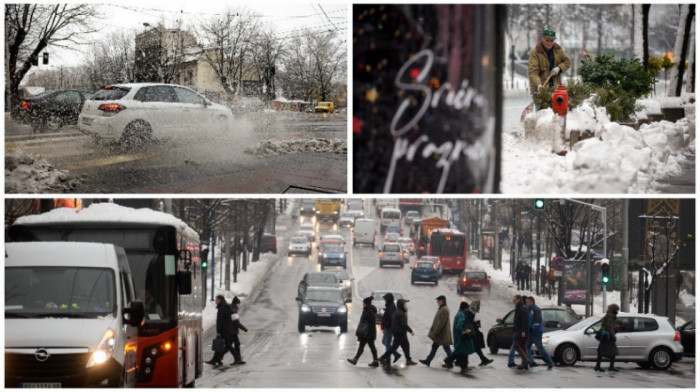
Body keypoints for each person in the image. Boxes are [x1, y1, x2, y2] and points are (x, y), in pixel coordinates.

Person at [528, 29, 572, 95]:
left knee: (556, 105)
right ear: (543, 39)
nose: (549, 43)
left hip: (555, 87)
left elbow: (568, 61)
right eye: (547, 40)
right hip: (539, 88)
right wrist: (539, 85)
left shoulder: (558, 50)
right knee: (542, 105)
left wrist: (559, 68)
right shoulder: (535, 53)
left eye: (551, 41)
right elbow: (533, 73)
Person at [379, 299, 416, 366]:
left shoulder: (397, 312)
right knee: (394, 347)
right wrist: (411, 331)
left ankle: (408, 360)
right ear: (402, 305)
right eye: (405, 304)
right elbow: (404, 324)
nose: (406, 305)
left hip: (399, 332)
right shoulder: (401, 313)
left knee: (406, 345)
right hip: (400, 333)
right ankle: (382, 357)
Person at [419, 295, 452, 367]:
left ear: (442, 301)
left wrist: (436, 332)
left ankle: (451, 362)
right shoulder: (442, 308)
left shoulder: (444, 310)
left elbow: (441, 323)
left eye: (438, 301)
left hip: (442, 334)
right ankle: (428, 361)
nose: (437, 302)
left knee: (446, 348)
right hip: (440, 334)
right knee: (435, 347)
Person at [443, 301, 476, 374]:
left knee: (462, 351)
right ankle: (451, 361)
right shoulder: (461, 315)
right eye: (467, 308)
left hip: (459, 336)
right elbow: (459, 325)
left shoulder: (461, 313)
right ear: (465, 308)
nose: (468, 309)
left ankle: (463, 366)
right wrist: (463, 332)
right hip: (460, 336)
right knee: (461, 351)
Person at [348, 296, 380, 367]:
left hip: (367, 333)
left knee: (366, 346)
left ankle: (356, 360)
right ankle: (375, 361)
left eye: (363, 303)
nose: (362, 304)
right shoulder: (368, 310)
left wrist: (366, 332)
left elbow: (369, 324)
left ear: (366, 304)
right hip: (367, 333)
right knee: (369, 347)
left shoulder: (369, 312)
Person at [206, 295, 236, 367]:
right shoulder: (225, 307)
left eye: (216, 299)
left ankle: (237, 358)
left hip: (224, 330)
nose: (215, 301)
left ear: (219, 300)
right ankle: (216, 359)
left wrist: (218, 331)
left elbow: (220, 321)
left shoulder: (221, 308)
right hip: (226, 329)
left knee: (226, 345)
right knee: (220, 345)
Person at [525, 296, 554, 369]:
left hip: (536, 332)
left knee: (540, 348)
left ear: (532, 302)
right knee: (527, 347)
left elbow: (537, 322)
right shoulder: (529, 309)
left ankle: (550, 362)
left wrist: (532, 328)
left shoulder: (536, 309)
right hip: (531, 332)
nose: (526, 303)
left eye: (527, 302)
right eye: (526, 302)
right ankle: (531, 362)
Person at [595, 304, 620, 372]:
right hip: (608, 337)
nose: (617, 311)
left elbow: (603, 323)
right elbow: (610, 327)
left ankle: (598, 366)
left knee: (601, 351)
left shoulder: (607, 315)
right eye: (617, 309)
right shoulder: (611, 317)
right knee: (613, 351)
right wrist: (613, 336)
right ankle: (611, 366)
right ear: (614, 310)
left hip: (604, 336)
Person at [467, 300, 493, 366]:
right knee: (469, 347)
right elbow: (471, 324)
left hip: (473, 332)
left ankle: (483, 359)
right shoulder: (471, 313)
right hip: (471, 332)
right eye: (478, 306)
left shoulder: (473, 312)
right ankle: (457, 360)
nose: (479, 308)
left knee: (475, 347)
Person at [380, 293, 401, 364]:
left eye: (385, 299)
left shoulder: (391, 307)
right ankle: (396, 354)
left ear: (388, 299)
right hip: (388, 327)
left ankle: (387, 359)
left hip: (389, 327)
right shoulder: (390, 306)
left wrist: (386, 323)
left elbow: (390, 318)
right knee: (385, 342)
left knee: (387, 343)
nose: (385, 300)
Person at [512, 294, 530, 370]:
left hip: (521, 331)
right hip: (519, 330)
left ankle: (526, 360)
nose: (513, 301)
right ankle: (525, 364)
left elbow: (524, 321)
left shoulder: (523, 308)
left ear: (519, 299)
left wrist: (523, 331)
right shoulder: (519, 307)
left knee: (516, 345)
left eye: (514, 300)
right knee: (523, 346)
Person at [229, 296, 248, 365]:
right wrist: (244, 329)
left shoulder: (232, 309)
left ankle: (238, 359)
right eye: (239, 303)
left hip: (231, 331)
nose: (239, 305)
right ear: (237, 303)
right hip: (232, 331)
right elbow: (236, 322)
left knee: (235, 344)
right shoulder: (234, 310)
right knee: (233, 345)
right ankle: (237, 359)